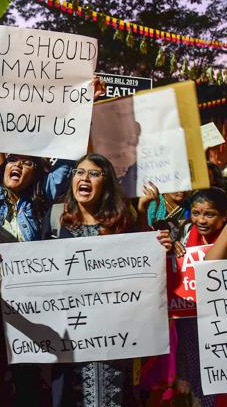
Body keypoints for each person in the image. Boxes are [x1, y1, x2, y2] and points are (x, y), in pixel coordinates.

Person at [50, 153, 172, 407]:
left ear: (106, 183)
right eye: (80, 172)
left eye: (94, 173)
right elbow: (38, 267)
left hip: (112, 337)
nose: (85, 178)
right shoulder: (55, 221)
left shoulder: (121, 223)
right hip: (68, 336)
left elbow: (139, 270)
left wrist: (158, 243)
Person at [170, 188, 227, 407]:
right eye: (196, 213)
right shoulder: (185, 231)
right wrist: (174, 249)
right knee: (196, 382)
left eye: (210, 214)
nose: (201, 220)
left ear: (225, 216)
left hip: (224, 323)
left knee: (222, 380)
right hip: (190, 323)